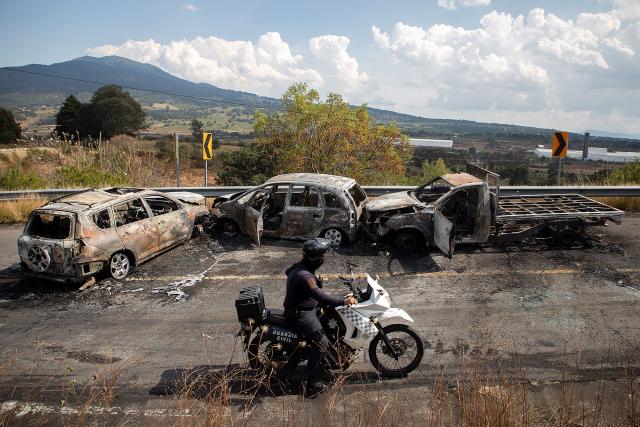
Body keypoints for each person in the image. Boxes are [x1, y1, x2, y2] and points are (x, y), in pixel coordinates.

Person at [283, 238, 357, 397]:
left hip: (307, 305)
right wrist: (343, 301)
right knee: (321, 341)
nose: (323, 259)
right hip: (301, 312)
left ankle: (323, 363)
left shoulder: (302, 268)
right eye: (321, 256)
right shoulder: (304, 275)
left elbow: (288, 272)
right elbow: (318, 294)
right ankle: (311, 385)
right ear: (314, 257)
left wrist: (314, 281)